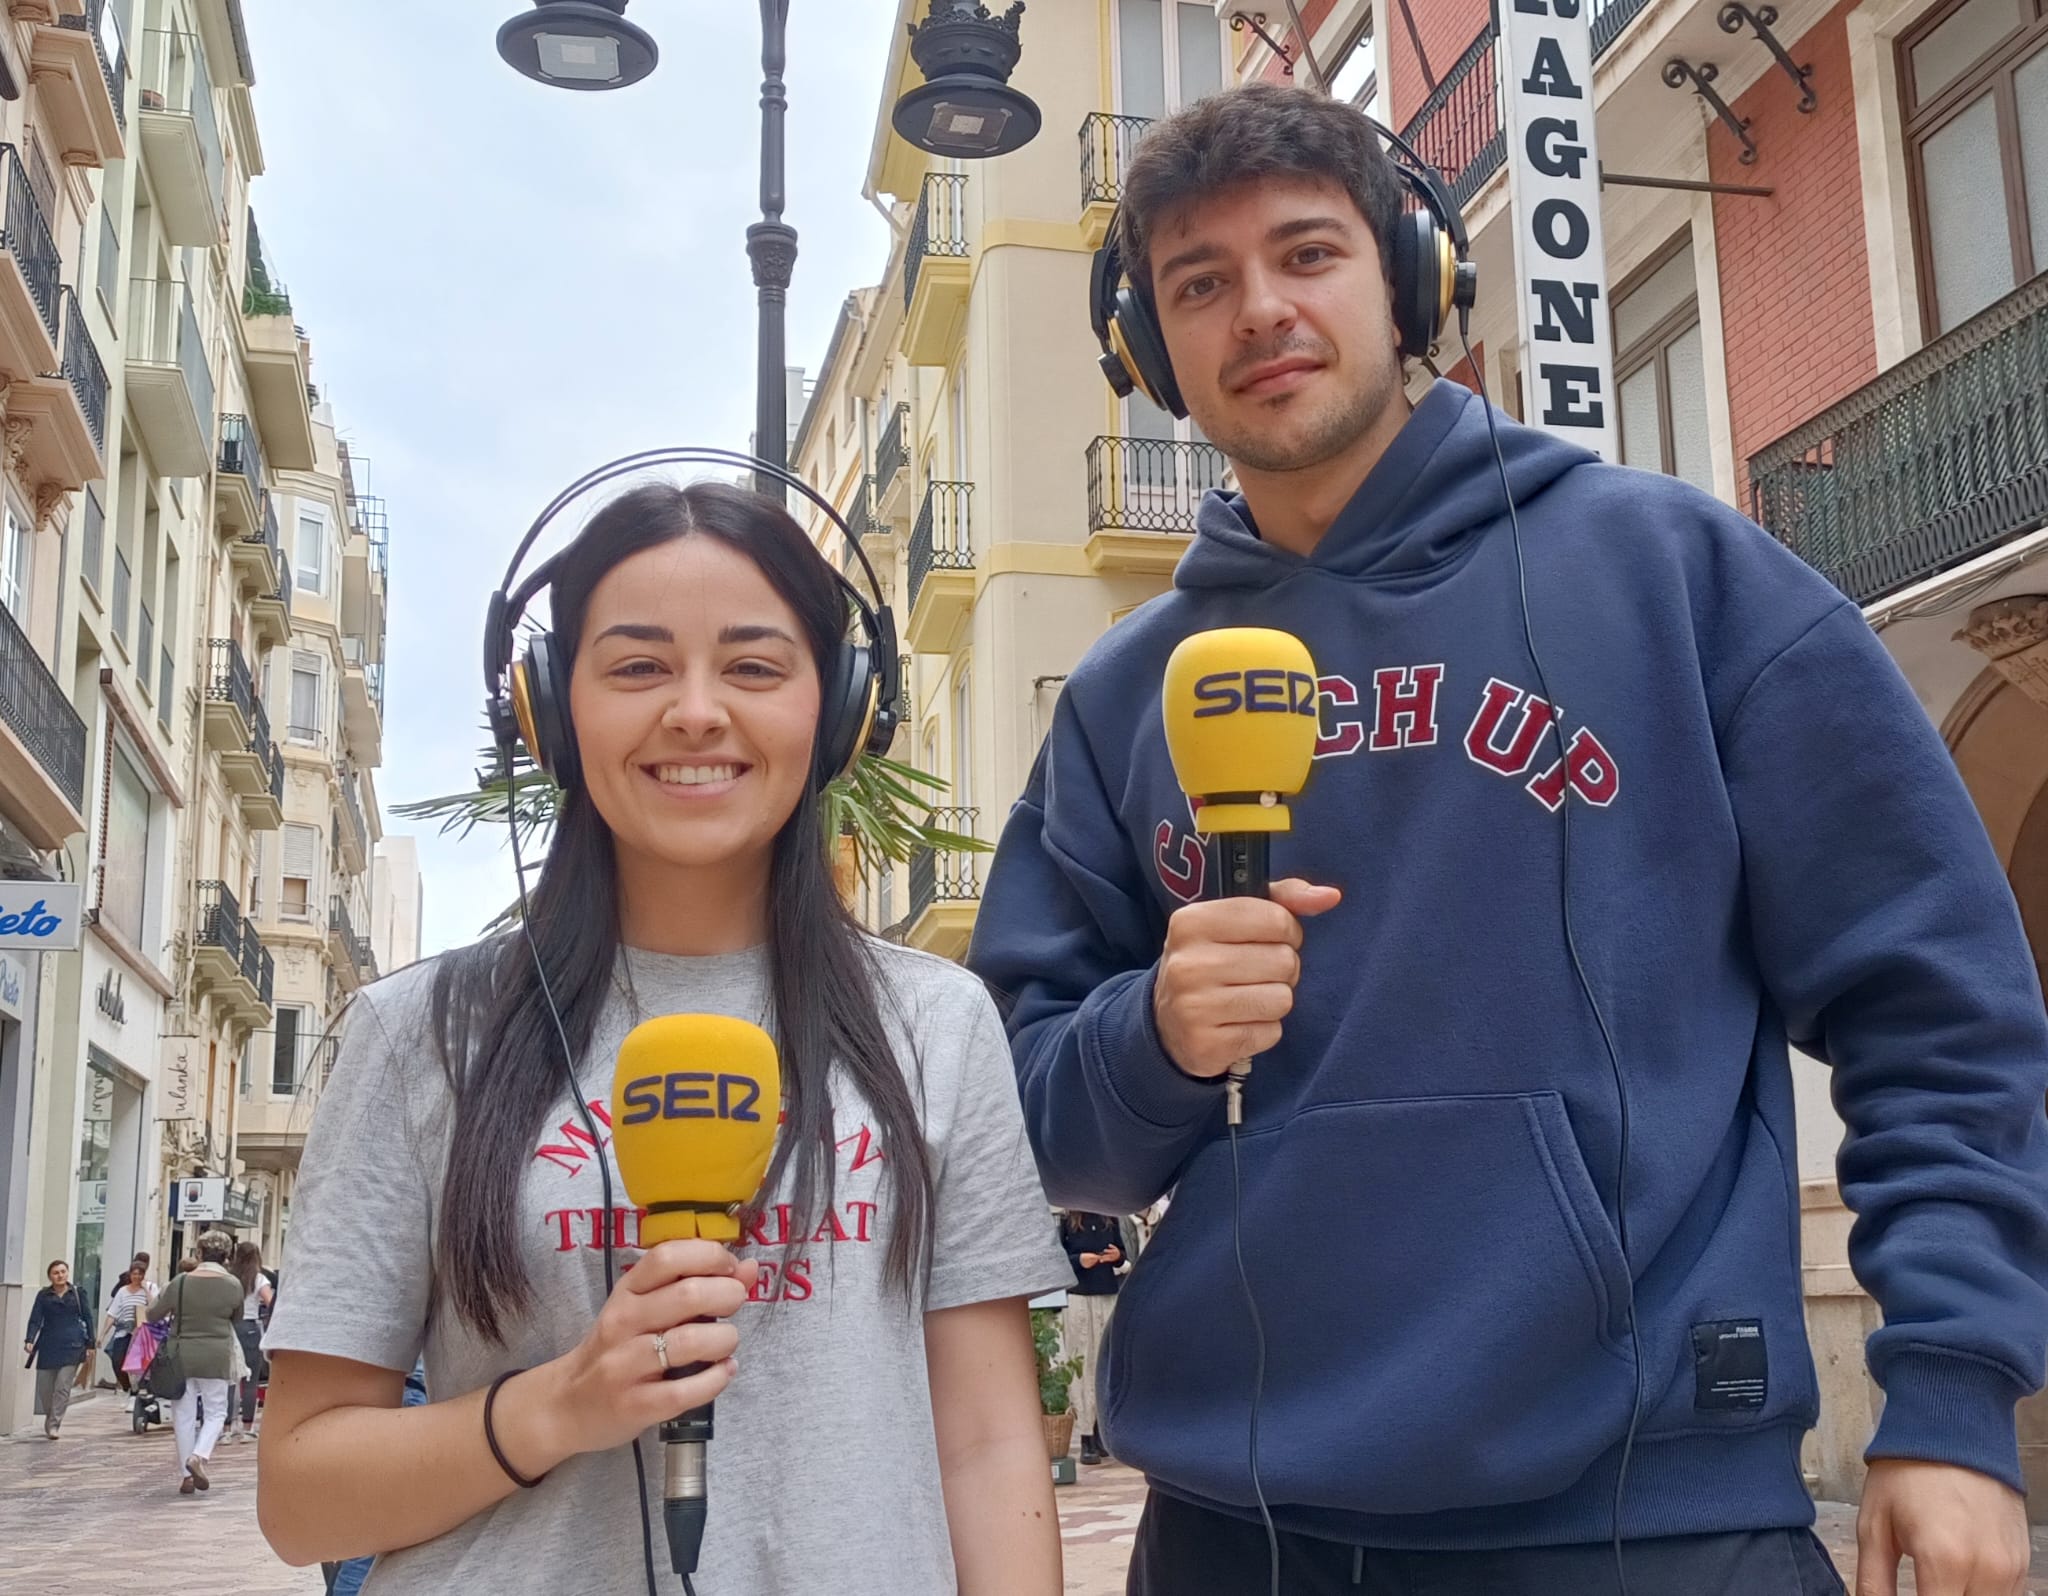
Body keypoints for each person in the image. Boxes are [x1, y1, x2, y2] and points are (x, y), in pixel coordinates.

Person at [966, 83, 2048, 1596]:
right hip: (1237, 1536)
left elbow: (1939, 1005)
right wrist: (1149, 1038)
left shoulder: (1679, 576)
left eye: (1306, 254)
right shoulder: (1120, 700)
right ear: (1145, 350)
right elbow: (1032, 1127)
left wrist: (1948, 1400)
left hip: (1648, 1521)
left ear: (1411, 278)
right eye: (1198, 285)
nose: (1259, 310)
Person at [257, 479, 1070, 1594]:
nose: (695, 711)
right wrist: (556, 1405)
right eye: (637, 666)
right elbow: (302, 1493)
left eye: (752, 666)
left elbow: (985, 1447)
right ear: (548, 708)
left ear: (838, 710)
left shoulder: (935, 1024)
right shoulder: (418, 1036)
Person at [146, 1229, 244, 1494]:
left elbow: (153, 1314)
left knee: (183, 1414)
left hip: (182, 1356)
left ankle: (186, 1476)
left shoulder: (180, 1282)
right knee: (216, 1411)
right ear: (227, 1257)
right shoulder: (234, 1285)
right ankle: (198, 1456)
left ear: (199, 1254)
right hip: (217, 1355)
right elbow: (236, 1318)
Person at [1057, 1213, 1127, 1465]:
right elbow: (1058, 1258)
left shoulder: (1111, 1217)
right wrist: (1078, 1260)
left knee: (1104, 1362)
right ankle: (1086, 1433)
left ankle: (1101, 1431)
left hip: (1106, 1294)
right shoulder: (1068, 1220)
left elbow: (1124, 1255)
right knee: (1082, 1363)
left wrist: (1116, 1257)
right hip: (1079, 1297)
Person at [23, 1259, 92, 1438]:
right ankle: (50, 1417)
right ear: (50, 1277)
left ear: (67, 1273)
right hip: (48, 1345)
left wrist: (90, 1344)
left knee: (62, 1387)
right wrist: (29, 1339)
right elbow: (35, 1319)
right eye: (56, 1273)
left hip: (73, 1346)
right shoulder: (43, 1295)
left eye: (63, 1271)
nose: (60, 1275)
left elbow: (88, 1318)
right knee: (45, 1389)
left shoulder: (77, 1293)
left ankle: (54, 1425)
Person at [228, 1239, 273, 1442]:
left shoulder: (230, 1278)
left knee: (231, 1379)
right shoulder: (259, 1278)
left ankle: (227, 1427)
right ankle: (248, 1427)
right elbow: (269, 1301)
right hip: (250, 1329)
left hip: (231, 1326)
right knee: (251, 1379)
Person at [101, 1260, 153, 1395]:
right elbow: (112, 1313)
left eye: (140, 1274)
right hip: (124, 1331)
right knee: (117, 1360)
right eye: (134, 1274)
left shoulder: (149, 1288)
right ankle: (128, 1387)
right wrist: (102, 1334)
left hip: (141, 1333)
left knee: (138, 1365)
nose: (136, 1277)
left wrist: (146, 1289)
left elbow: (154, 1307)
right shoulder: (122, 1291)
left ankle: (137, 1391)